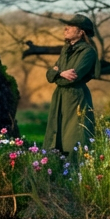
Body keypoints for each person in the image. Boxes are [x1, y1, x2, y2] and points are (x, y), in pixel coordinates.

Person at [43, 14, 98, 155]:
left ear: (81, 32)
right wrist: (60, 73)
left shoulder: (88, 52)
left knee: (74, 139)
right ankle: (55, 172)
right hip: (60, 97)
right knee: (56, 138)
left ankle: (76, 173)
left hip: (76, 98)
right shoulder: (65, 50)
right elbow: (50, 75)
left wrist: (57, 73)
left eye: (71, 26)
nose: (65, 28)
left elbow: (72, 77)